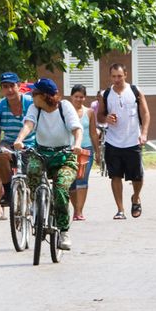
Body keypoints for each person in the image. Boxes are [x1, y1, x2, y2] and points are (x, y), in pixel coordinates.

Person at [13, 77, 82, 250]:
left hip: (65, 156)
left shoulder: (65, 107)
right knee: (32, 170)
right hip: (41, 153)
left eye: (34, 93)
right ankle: (38, 206)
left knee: (60, 190)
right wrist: (20, 139)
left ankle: (64, 231)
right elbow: (28, 125)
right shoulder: (35, 108)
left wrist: (77, 144)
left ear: (44, 96)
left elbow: (76, 129)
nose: (31, 96)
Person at [98, 63, 149, 217]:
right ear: (110, 77)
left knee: (137, 177)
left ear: (126, 75)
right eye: (114, 76)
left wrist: (144, 133)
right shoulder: (106, 94)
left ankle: (136, 197)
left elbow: (145, 113)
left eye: (119, 76)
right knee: (115, 176)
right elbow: (99, 116)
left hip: (133, 140)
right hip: (113, 141)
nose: (117, 79)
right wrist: (106, 118)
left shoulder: (135, 91)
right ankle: (120, 209)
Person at [0, 72, 31, 221]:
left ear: (18, 86)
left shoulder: (30, 103)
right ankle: (8, 191)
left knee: (33, 174)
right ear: (2, 89)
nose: (9, 90)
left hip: (31, 142)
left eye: (12, 86)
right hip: (10, 142)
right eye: (5, 87)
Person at [69, 84, 95, 220]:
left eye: (81, 97)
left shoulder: (89, 112)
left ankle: (79, 211)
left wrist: (98, 151)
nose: (79, 99)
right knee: (71, 181)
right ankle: (75, 208)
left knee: (82, 179)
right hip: (70, 149)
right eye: (76, 96)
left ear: (85, 98)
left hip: (86, 149)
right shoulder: (66, 112)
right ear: (71, 97)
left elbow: (93, 133)